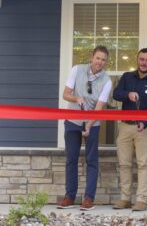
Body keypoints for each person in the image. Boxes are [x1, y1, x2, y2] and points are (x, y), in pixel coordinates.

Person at [57, 45, 112, 211]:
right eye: (98, 58)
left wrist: (88, 125)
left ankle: (89, 199)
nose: (100, 62)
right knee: (71, 159)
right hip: (72, 121)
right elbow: (65, 94)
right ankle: (70, 196)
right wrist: (76, 97)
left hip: (92, 124)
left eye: (103, 60)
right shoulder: (77, 70)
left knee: (92, 161)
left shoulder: (107, 81)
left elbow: (99, 107)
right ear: (92, 57)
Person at [112, 48, 147, 211]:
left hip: (144, 129)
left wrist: (144, 122)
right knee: (124, 164)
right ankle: (125, 198)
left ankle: (141, 200)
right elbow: (116, 94)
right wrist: (128, 94)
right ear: (137, 59)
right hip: (125, 126)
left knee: (143, 164)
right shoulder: (127, 77)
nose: (144, 62)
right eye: (142, 59)